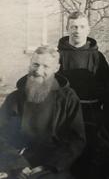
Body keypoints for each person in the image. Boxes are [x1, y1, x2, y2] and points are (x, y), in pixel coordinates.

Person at [0, 46, 86, 179]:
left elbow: (76, 139)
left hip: (54, 164)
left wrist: (48, 166)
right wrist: (18, 165)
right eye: (35, 64)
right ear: (30, 65)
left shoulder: (68, 98)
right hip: (18, 161)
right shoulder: (15, 98)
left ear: (56, 68)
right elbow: (2, 135)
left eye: (46, 66)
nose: (38, 71)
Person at [57, 11, 109, 126]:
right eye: (74, 27)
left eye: (82, 27)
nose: (78, 31)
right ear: (67, 28)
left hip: (91, 112)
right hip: (64, 113)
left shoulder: (97, 57)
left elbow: (106, 86)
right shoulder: (57, 56)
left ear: (88, 29)